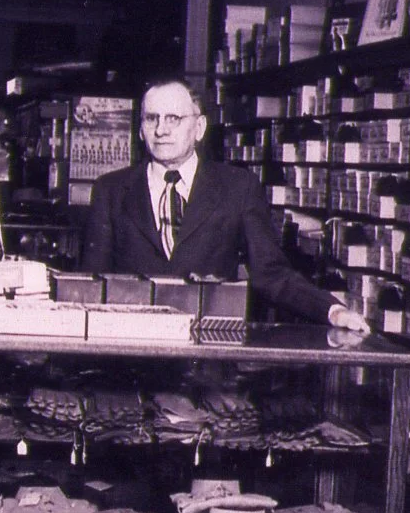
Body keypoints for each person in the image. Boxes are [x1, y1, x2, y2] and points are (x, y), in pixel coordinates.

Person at [82, 78, 368, 330]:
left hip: (205, 352)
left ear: (199, 127)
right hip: (130, 348)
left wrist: (332, 310)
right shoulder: (111, 190)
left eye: (174, 118)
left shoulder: (237, 187)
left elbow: (271, 273)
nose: (161, 130)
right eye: (151, 118)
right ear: (141, 129)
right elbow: (92, 281)